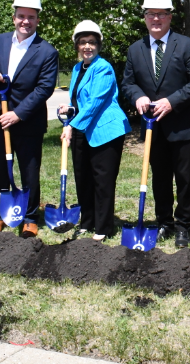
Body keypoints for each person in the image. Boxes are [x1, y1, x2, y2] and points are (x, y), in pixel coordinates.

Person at [121, 0, 190, 248]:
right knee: (159, 178)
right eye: (150, 14)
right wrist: (137, 96)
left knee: (184, 178)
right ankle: (163, 222)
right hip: (153, 128)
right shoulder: (136, 49)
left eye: (161, 14)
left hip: (183, 125)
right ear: (145, 18)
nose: (155, 19)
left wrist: (172, 101)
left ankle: (183, 225)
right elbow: (127, 83)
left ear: (170, 16)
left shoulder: (187, 46)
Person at [0, 0, 59, 238]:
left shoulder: (47, 51)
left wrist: (18, 114)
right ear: (14, 17)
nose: (25, 21)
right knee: (1, 169)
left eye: (31, 17)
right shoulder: (0, 41)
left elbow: (44, 89)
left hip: (28, 121)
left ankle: (31, 217)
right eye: (21, 16)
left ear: (37, 20)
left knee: (29, 171)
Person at [59, 21, 131, 241]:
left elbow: (96, 102)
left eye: (91, 42)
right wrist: (70, 109)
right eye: (82, 42)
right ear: (77, 46)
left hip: (105, 131)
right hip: (83, 126)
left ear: (98, 44)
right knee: (83, 178)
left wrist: (71, 124)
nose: (87, 47)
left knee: (102, 180)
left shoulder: (103, 67)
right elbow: (81, 101)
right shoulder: (77, 68)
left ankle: (103, 227)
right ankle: (87, 220)